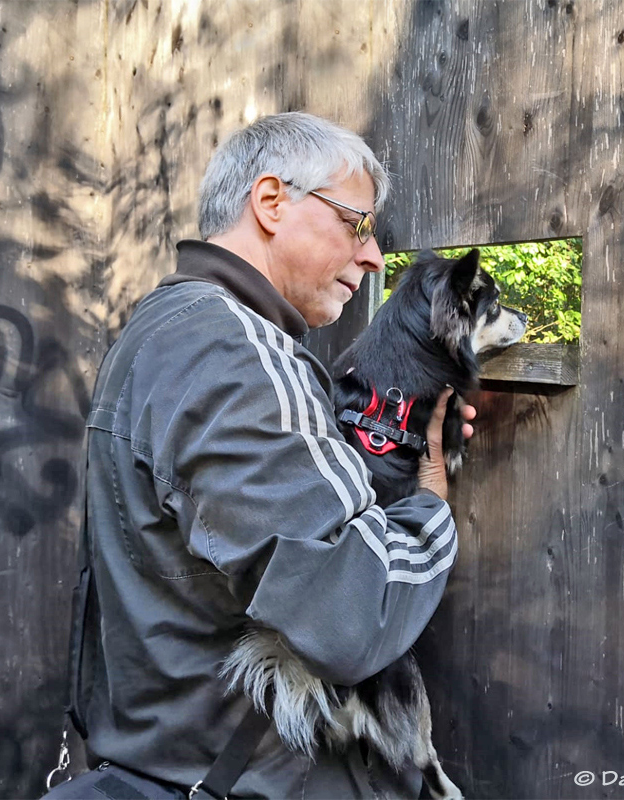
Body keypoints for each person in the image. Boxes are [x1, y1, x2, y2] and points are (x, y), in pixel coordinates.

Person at [73, 112, 469, 798]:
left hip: (164, 761)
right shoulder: (237, 352)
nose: (372, 256)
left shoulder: (163, 325)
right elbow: (355, 614)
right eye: (357, 223)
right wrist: (429, 504)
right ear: (271, 202)